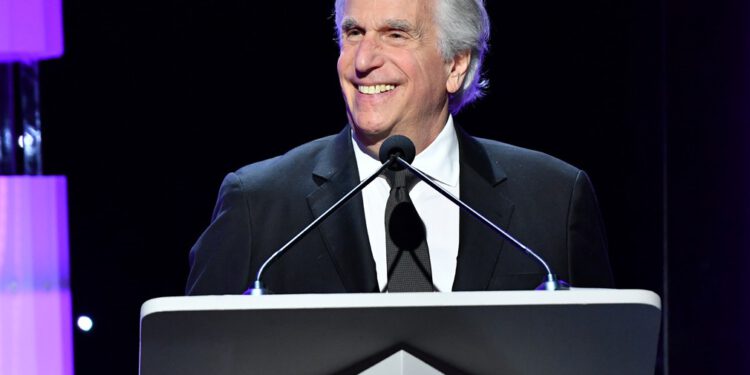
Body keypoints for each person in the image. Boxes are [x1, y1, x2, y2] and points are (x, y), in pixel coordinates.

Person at [186, 0, 614, 295]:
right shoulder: (258, 206)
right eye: (353, 32)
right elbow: (194, 356)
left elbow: (606, 355)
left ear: (456, 63)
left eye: (395, 34)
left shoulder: (555, 200)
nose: (363, 60)